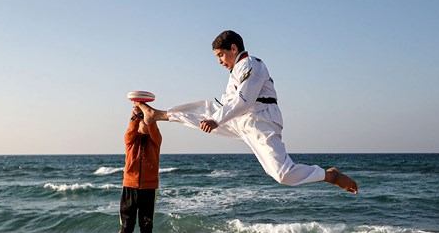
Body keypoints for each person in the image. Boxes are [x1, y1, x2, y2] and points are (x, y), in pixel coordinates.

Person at [139, 30, 358, 194]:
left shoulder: (253, 65)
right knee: (205, 107)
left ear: (234, 48)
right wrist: (212, 116)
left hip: (260, 120)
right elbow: (226, 102)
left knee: (282, 174)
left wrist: (215, 120)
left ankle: (329, 175)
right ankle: (157, 114)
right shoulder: (235, 72)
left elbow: (244, 100)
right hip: (240, 119)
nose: (219, 61)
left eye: (221, 55)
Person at [119, 103, 161, 233]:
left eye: (146, 122)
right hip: (129, 187)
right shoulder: (130, 141)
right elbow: (131, 130)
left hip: (149, 189)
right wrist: (136, 112)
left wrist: (148, 116)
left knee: (146, 231)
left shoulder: (155, 142)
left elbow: (154, 128)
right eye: (141, 122)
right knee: (126, 230)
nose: (144, 123)